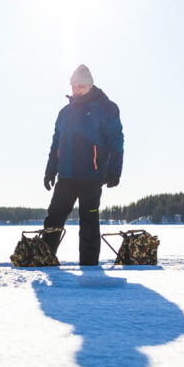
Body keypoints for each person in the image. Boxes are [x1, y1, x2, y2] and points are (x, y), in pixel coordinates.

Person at [43, 64, 124, 266]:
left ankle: (89, 267)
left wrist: (114, 170)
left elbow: (117, 141)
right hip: (66, 175)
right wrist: (50, 169)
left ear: (89, 85)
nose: (75, 89)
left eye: (80, 85)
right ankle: (43, 260)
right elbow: (55, 143)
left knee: (89, 222)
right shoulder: (64, 112)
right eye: (73, 85)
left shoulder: (107, 109)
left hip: (92, 176)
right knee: (54, 218)